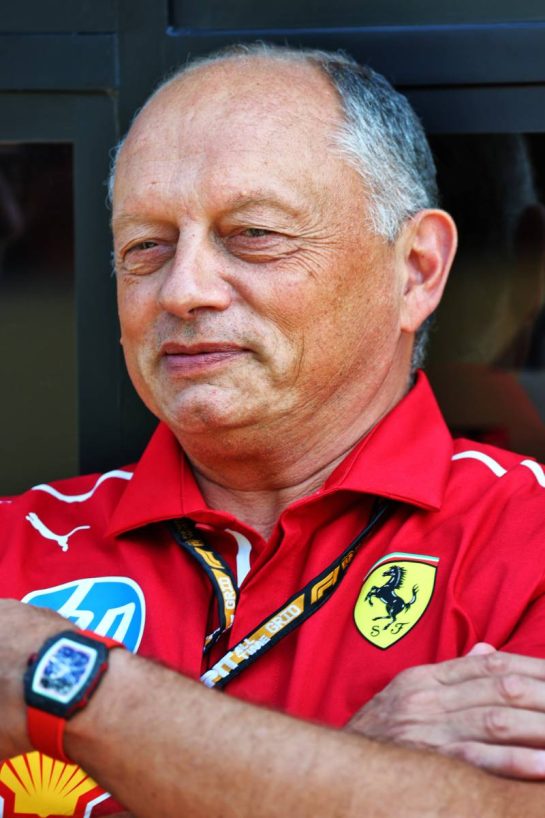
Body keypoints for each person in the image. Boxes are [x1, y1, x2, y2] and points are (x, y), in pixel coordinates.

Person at [1, 43, 545, 818]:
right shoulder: (13, 547)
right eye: (145, 247)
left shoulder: (525, 545)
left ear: (417, 269)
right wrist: (362, 768)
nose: (182, 290)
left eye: (252, 233)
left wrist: (62, 683)